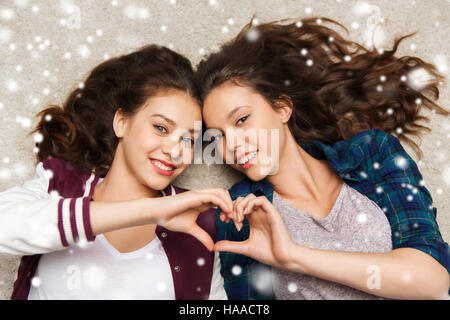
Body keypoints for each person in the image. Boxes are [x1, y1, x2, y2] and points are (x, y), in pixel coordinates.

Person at [195, 17, 450, 299]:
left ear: (282, 109)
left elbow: (431, 281)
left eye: (242, 119)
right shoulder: (238, 214)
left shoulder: (372, 154)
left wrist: (294, 257)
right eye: (217, 136)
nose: (231, 144)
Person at [0, 44, 233, 300]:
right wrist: (152, 210)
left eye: (189, 140)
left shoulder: (197, 223)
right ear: (122, 122)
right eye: (161, 128)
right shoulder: (58, 182)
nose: (174, 151)